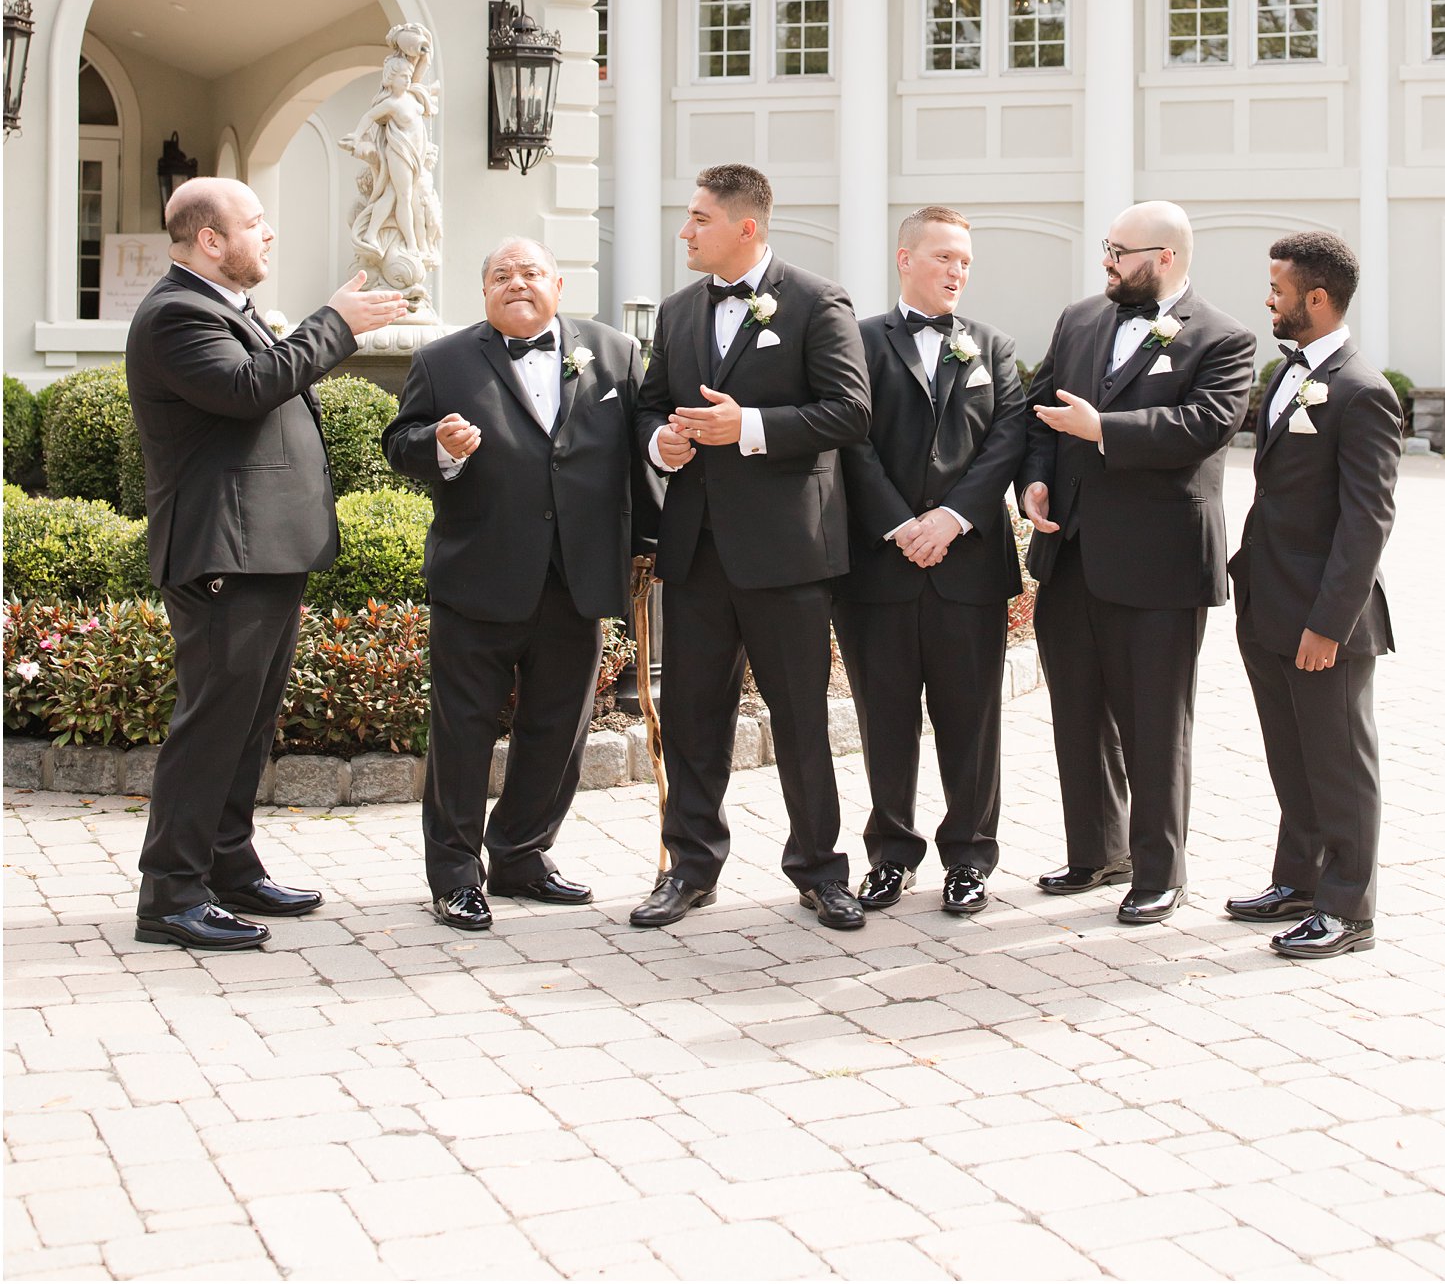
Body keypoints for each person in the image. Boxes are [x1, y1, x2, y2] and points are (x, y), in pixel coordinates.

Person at [126, 178, 408, 950]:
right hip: (225, 550)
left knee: (248, 723)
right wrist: (334, 325)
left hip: (264, 550)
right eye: (254, 222)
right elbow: (250, 388)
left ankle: (228, 863)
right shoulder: (176, 314)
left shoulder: (224, 308)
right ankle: (171, 894)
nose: (269, 233)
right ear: (210, 240)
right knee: (212, 723)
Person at [383, 238, 660, 931]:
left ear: (558, 285)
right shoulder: (441, 360)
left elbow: (638, 456)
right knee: (461, 734)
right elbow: (399, 443)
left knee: (557, 729)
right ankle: (454, 875)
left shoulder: (617, 354)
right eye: (500, 274)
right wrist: (437, 447)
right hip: (478, 576)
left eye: (531, 272)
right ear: (484, 293)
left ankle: (522, 854)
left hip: (577, 577)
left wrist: (650, 545)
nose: (517, 283)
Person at [630, 163, 872, 932]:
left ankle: (820, 871)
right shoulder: (674, 313)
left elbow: (850, 411)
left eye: (699, 218)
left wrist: (752, 427)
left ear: (747, 226)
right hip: (696, 552)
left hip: (787, 554)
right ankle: (689, 868)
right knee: (693, 714)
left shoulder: (817, 300)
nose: (685, 231)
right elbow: (645, 407)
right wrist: (663, 443)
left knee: (800, 717)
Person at [1021, 201, 1254, 925]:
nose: (1108, 262)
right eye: (1107, 248)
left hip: (1160, 563)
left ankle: (1160, 869)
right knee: (1076, 712)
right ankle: (1097, 852)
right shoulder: (1080, 318)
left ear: (1168, 257)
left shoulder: (1225, 338)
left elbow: (1204, 426)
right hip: (1071, 551)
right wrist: (1032, 480)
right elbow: (1038, 406)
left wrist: (1102, 429)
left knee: (1155, 723)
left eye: (1120, 251)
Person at [836, 208, 1027, 917]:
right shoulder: (856, 341)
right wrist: (898, 522)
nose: (957, 271)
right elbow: (850, 439)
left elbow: (1007, 438)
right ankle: (890, 853)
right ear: (904, 258)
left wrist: (950, 518)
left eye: (966, 262)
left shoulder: (993, 347)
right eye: (944, 256)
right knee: (883, 716)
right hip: (878, 568)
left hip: (968, 564)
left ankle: (970, 856)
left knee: (972, 719)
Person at [1226, 232, 1401, 961]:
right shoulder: (1287, 371)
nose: (1268, 298)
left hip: (1325, 617)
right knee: (1290, 754)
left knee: (1339, 761)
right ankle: (1298, 882)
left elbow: (1367, 522)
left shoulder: (1364, 392)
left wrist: (1329, 623)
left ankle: (1348, 909)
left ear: (1317, 298)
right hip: (1267, 601)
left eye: (1278, 288)